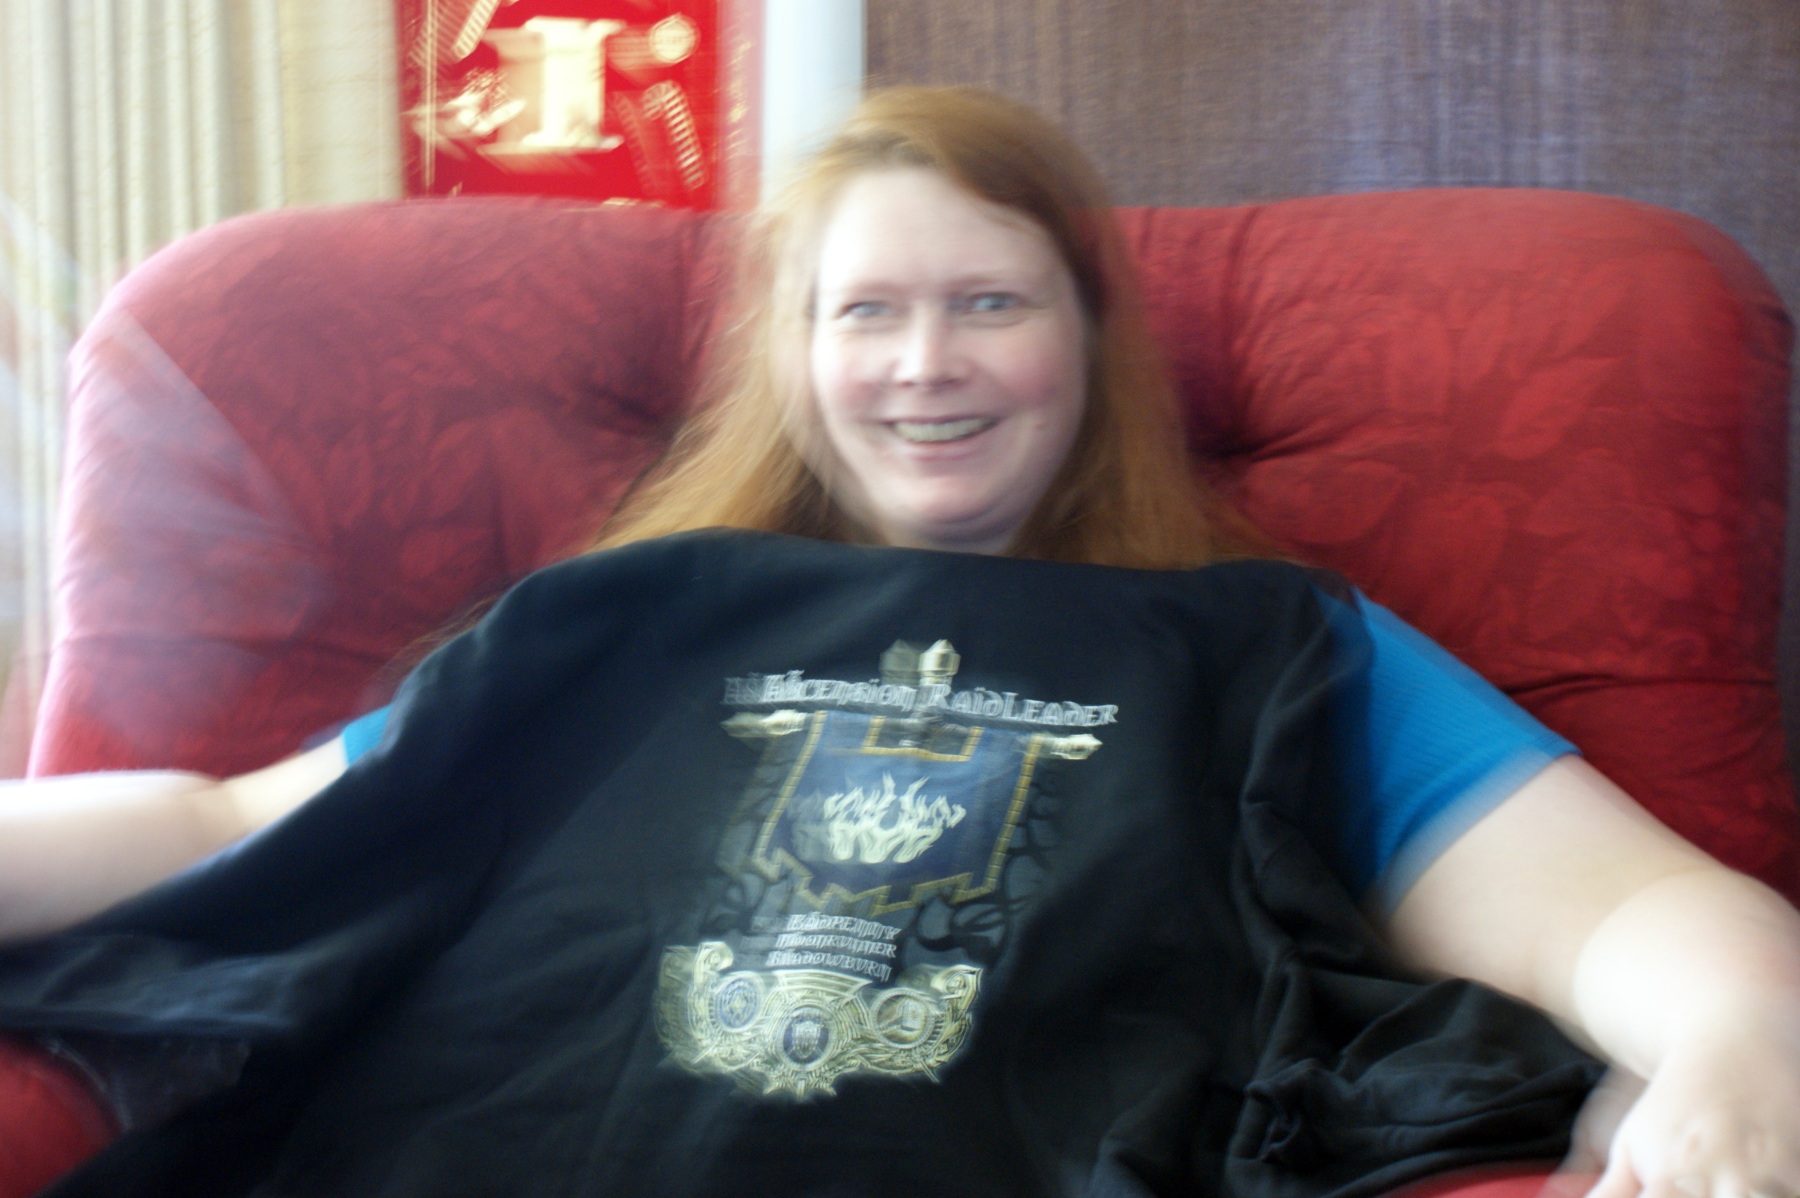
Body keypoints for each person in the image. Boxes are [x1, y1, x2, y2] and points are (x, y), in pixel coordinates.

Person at [1, 86, 1797, 1197]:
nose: (925, 363)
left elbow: (1626, 907)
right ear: (793, 356)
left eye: (989, 301)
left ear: (1087, 343)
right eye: (865, 310)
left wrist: (1740, 1040)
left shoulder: (1270, 644)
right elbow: (230, 825)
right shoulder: (619, 614)